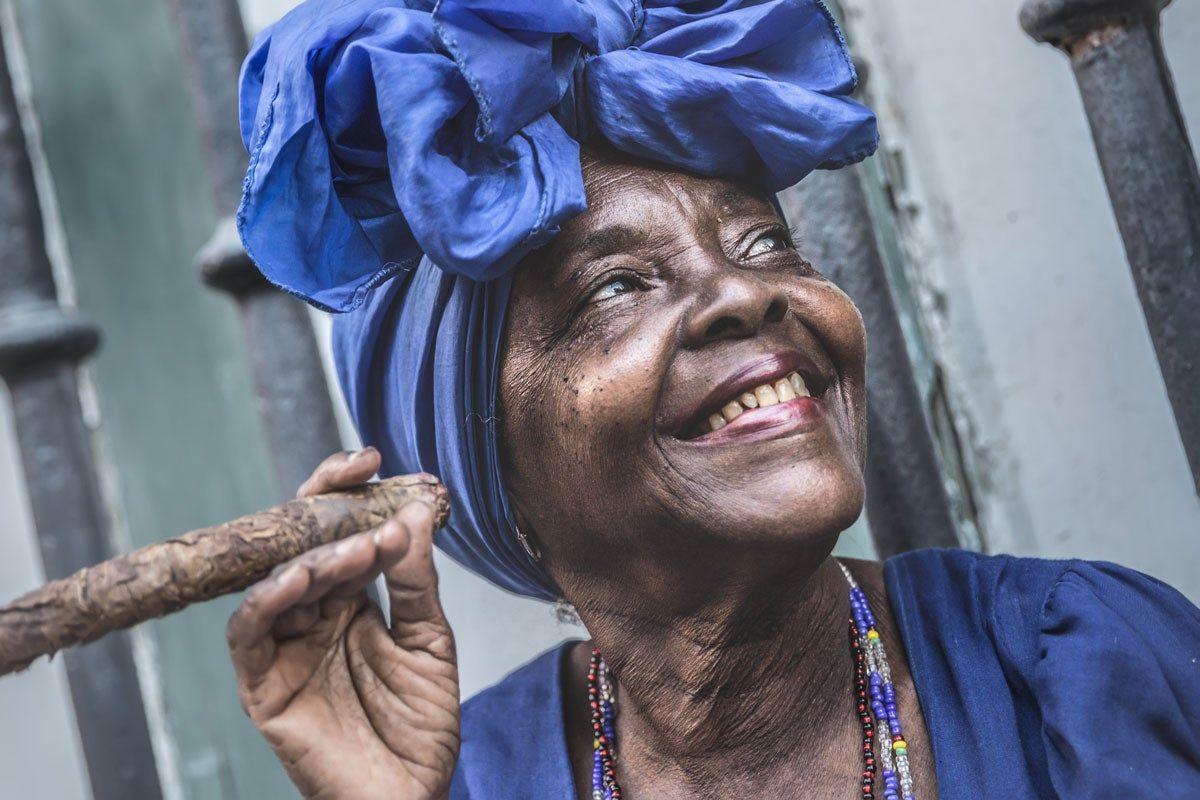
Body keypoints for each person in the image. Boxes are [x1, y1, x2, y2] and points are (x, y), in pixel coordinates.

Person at [225, 1, 1200, 798]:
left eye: (764, 241)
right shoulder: (459, 781)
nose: (745, 292)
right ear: (491, 470)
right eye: (615, 287)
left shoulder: (1087, 673)